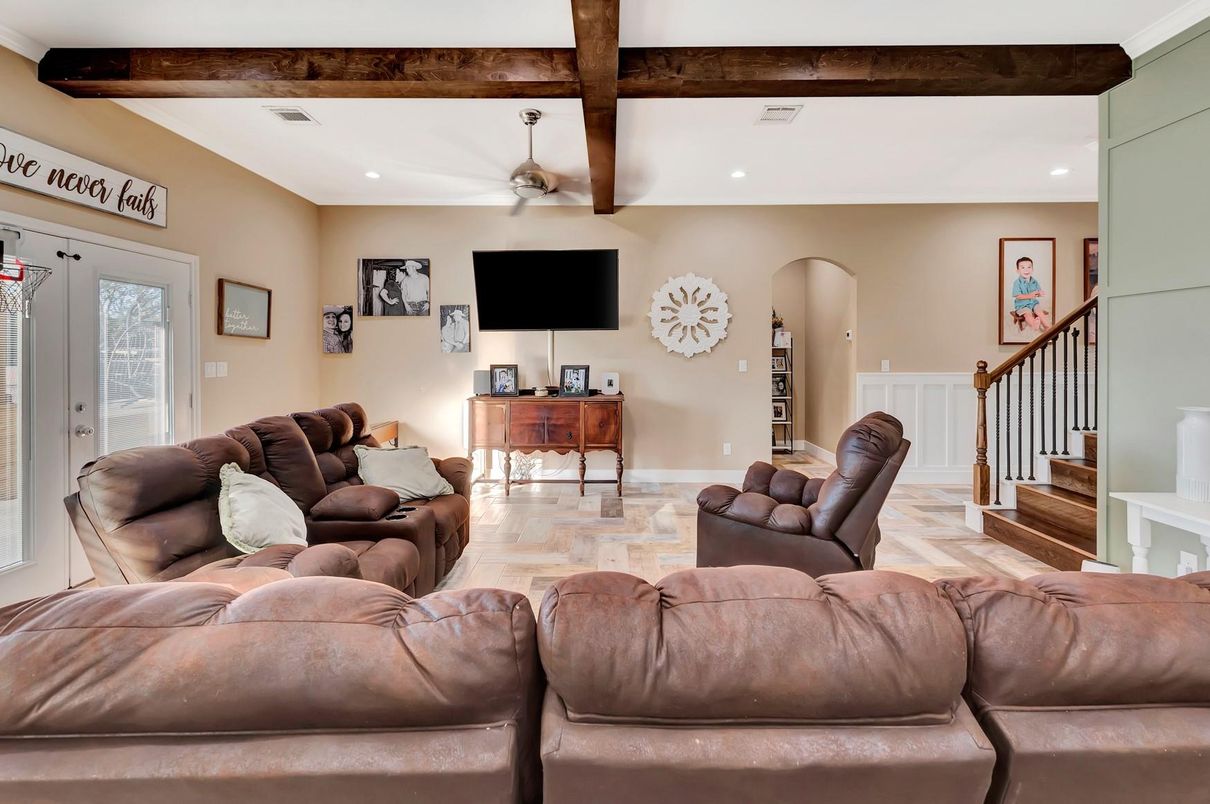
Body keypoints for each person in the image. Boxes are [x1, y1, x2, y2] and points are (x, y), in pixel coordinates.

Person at [1011, 257, 1050, 332]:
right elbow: (1018, 295)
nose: (1026, 270)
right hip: (1022, 305)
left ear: (1032, 269)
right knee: (1027, 314)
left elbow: (1037, 292)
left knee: (1040, 312)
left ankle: (1047, 327)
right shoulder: (1017, 283)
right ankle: (1034, 324)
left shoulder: (1034, 281)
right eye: (1023, 268)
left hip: (1033, 303)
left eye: (1029, 267)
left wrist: (1040, 293)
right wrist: (1030, 295)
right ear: (1018, 271)